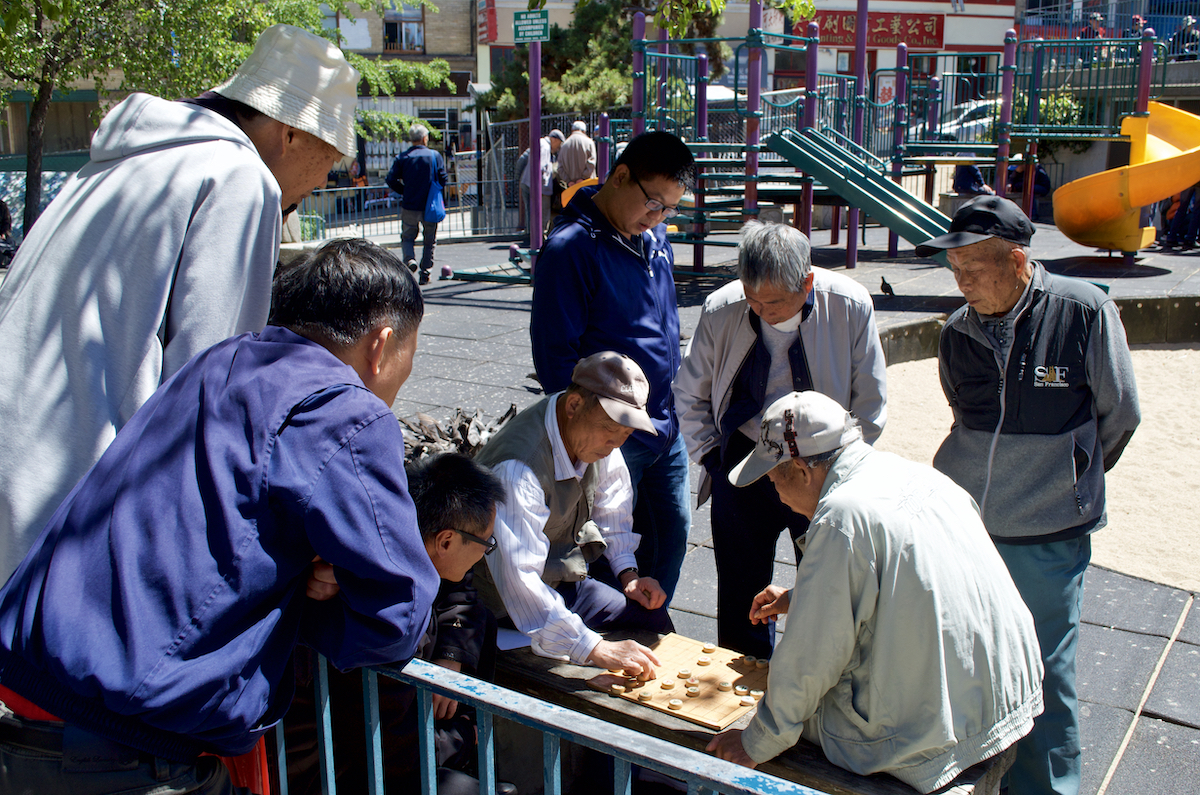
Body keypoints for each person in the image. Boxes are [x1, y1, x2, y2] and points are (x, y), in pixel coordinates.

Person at [0, 238, 443, 794]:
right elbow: (397, 614)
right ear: (381, 345)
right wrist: (308, 604)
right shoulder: (347, 411)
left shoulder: (220, 359)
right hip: (123, 745)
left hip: (21, 687)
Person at [0, 24, 359, 584]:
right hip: (72, 522)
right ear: (290, 133)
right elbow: (208, 391)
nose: (321, 181)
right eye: (330, 159)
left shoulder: (119, 162)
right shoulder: (241, 178)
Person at [706, 391, 1044, 794]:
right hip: (1006, 698)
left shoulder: (841, 518)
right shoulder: (912, 474)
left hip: (932, 737)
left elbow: (811, 658)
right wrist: (804, 596)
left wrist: (756, 740)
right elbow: (918, 579)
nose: (775, 493)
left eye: (774, 477)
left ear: (801, 468)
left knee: (794, 708)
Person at [916, 196, 1141, 795]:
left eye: (972, 269)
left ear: (1017, 261)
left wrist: (1069, 479)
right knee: (971, 665)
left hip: (1046, 533)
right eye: (954, 269)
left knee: (1044, 672)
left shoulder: (1083, 310)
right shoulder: (957, 331)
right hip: (970, 530)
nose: (960, 282)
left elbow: (1120, 414)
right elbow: (963, 418)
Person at [672, 221, 886, 657]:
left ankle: (817, 682)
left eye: (776, 301)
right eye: (754, 299)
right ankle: (744, 682)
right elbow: (689, 391)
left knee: (824, 587)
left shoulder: (849, 304)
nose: (764, 310)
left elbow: (871, 402)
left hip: (821, 468)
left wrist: (840, 472)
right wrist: (712, 458)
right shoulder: (723, 306)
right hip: (744, 460)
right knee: (740, 587)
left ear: (807, 282)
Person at [285, 452, 516, 795]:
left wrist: (450, 660)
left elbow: (464, 597)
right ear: (447, 541)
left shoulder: (407, 540)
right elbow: (394, 747)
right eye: (486, 543)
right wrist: (469, 734)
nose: (485, 553)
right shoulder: (388, 613)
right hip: (351, 769)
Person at [531, 130, 696, 602]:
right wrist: (595, 437)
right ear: (619, 176)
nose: (659, 217)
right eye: (652, 203)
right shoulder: (571, 248)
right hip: (612, 433)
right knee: (610, 554)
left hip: (664, 425)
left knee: (671, 541)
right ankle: (614, 641)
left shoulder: (653, 234)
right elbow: (555, 360)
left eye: (669, 208)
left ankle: (653, 627)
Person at [473, 352, 673, 676]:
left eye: (625, 435)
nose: (614, 444)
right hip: (498, 602)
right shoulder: (518, 472)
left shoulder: (592, 431)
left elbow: (613, 501)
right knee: (589, 670)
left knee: (652, 621)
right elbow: (519, 584)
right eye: (610, 431)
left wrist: (628, 574)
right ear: (574, 405)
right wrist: (595, 648)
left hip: (557, 581)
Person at [386, 123, 449, 285]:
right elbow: (443, 179)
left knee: (407, 237)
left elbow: (390, 179)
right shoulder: (435, 156)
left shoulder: (402, 157)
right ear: (424, 138)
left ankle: (409, 260)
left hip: (410, 204)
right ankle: (425, 273)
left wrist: (404, 190)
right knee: (429, 241)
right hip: (430, 205)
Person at [520, 128, 565, 236]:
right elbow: (542, 169)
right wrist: (545, 188)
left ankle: (531, 237)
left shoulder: (540, 143)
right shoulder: (545, 147)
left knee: (531, 214)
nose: (558, 148)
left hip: (527, 182)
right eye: (559, 144)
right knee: (541, 216)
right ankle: (538, 240)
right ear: (554, 139)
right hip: (537, 186)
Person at [557, 120, 597, 188]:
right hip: (588, 184)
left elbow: (560, 167)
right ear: (584, 131)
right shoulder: (589, 142)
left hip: (571, 187)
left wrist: (569, 181)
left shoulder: (564, 145)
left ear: (572, 130)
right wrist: (583, 178)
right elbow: (592, 163)